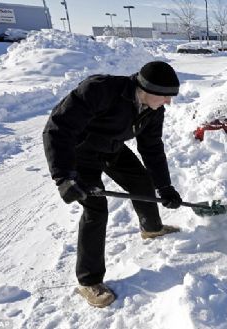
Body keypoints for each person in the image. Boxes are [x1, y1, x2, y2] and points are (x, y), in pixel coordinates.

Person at [42, 61, 184, 308]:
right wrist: (63, 177)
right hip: (81, 153)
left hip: (111, 147)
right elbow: (57, 129)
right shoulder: (100, 90)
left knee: (142, 182)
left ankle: (151, 228)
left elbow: (151, 148)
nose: (168, 102)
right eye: (165, 96)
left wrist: (165, 187)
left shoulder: (153, 109)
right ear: (146, 88)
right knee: (96, 210)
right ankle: (89, 281)